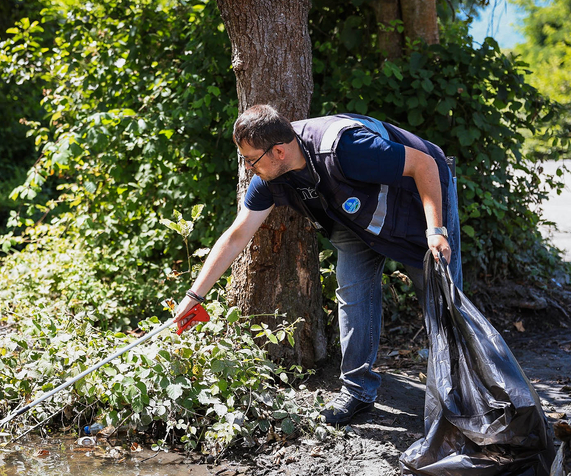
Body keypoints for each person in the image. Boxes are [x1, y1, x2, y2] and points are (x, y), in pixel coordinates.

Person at [174, 104, 463, 426]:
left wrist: (436, 231)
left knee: (440, 299)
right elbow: (237, 234)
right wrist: (194, 297)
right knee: (353, 296)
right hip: (356, 220)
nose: (247, 168)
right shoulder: (269, 178)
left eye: (250, 159)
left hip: (416, 200)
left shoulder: (344, 147)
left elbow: (423, 165)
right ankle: (358, 392)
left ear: (279, 151)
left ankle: (458, 392)